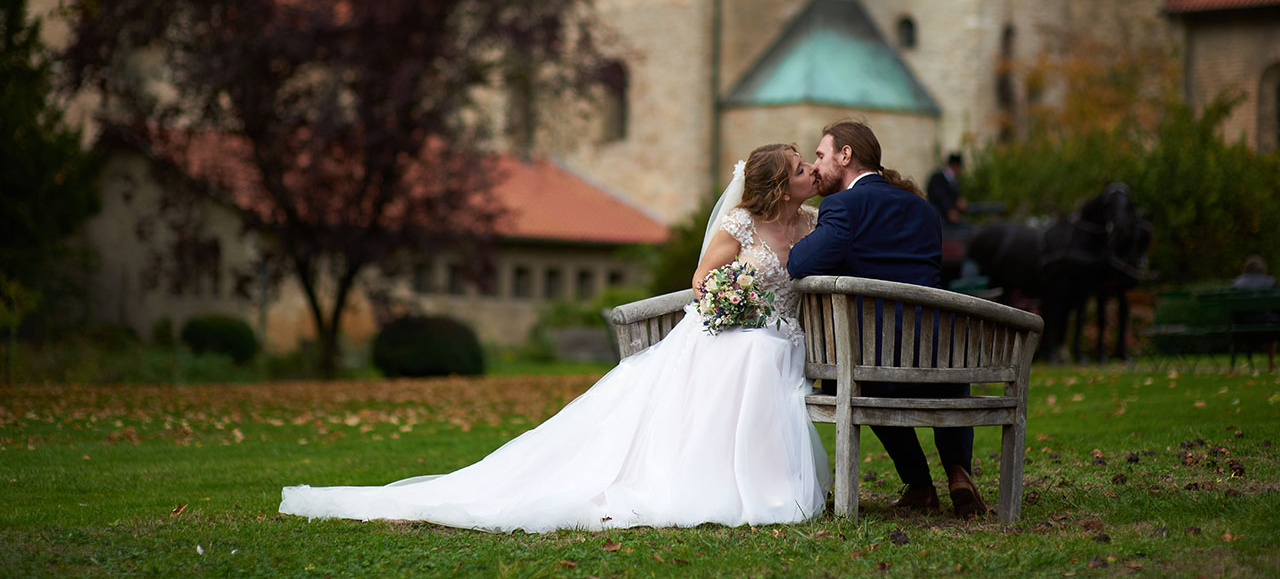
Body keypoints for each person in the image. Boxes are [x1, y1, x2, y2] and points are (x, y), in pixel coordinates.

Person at [280, 143, 832, 532]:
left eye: (809, 163)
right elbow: (700, 282)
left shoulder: (810, 223)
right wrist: (736, 301)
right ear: (779, 185)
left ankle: (762, 479)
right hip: (733, 331)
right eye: (801, 167)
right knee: (750, 356)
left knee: (764, 355)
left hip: (781, 338)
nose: (811, 169)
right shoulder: (737, 226)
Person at [787, 119, 986, 518]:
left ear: (846, 156)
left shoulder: (842, 206)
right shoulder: (924, 208)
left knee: (867, 373)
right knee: (921, 369)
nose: (816, 164)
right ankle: (957, 472)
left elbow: (800, 262)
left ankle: (919, 483)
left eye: (821, 155)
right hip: (936, 359)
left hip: (871, 362)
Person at [926, 152, 966, 225]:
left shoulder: (952, 179)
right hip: (940, 216)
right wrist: (949, 209)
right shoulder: (938, 178)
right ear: (955, 166)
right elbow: (940, 196)